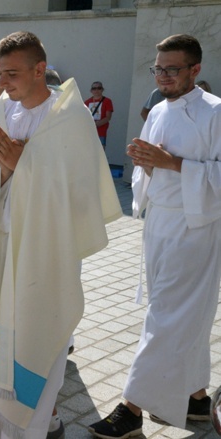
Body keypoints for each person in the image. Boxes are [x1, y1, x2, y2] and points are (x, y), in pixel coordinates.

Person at [0, 31, 121, 439]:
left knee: (36, 339)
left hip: (46, 254)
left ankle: (36, 426)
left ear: (40, 69)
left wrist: (23, 167)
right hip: (2, 246)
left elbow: (79, 197)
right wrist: (7, 171)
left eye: (12, 73)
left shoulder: (71, 118)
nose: (3, 83)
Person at [89, 34, 221, 439]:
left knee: (165, 317)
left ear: (195, 70)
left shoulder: (215, 112)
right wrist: (145, 162)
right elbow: (153, 165)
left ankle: (131, 409)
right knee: (181, 315)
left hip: (196, 227)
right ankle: (197, 399)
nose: (163, 76)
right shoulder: (158, 110)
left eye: (172, 68)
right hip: (159, 224)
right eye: (158, 68)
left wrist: (171, 162)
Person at [84, 81, 113, 147]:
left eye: (99, 88)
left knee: (100, 153)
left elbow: (108, 117)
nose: (96, 90)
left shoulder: (107, 101)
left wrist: (95, 124)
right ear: (91, 90)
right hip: (89, 132)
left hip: (101, 132)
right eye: (94, 88)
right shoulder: (86, 102)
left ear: (102, 89)